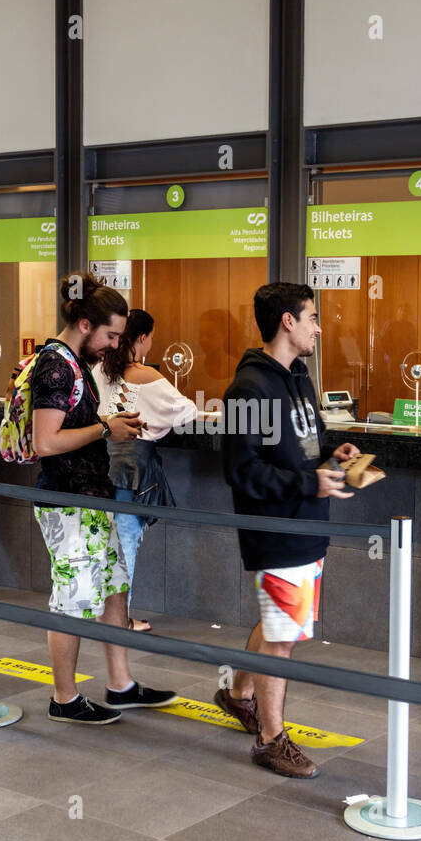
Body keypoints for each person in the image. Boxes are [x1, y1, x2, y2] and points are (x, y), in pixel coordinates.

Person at [217, 282, 360, 778]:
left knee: (281, 622)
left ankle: (237, 694)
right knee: (282, 635)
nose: (320, 328)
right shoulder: (248, 389)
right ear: (287, 322)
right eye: (313, 317)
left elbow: (305, 442)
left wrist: (332, 454)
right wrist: (307, 482)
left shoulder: (299, 376)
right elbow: (242, 471)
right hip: (276, 530)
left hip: (306, 526)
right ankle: (270, 739)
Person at [31, 272, 178, 724]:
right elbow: (45, 442)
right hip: (68, 501)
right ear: (85, 324)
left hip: (92, 500)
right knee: (73, 600)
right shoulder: (56, 366)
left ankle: (121, 685)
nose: (116, 344)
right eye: (112, 334)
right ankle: (64, 698)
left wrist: (111, 424)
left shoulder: (73, 363)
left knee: (115, 590)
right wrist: (105, 428)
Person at [94, 308, 197, 632]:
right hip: (131, 472)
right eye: (151, 338)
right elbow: (187, 411)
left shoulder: (98, 370)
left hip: (99, 467)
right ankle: (119, 620)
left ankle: (105, 614)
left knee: (105, 546)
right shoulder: (146, 376)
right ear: (141, 338)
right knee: (125, 548)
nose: (152, 345)